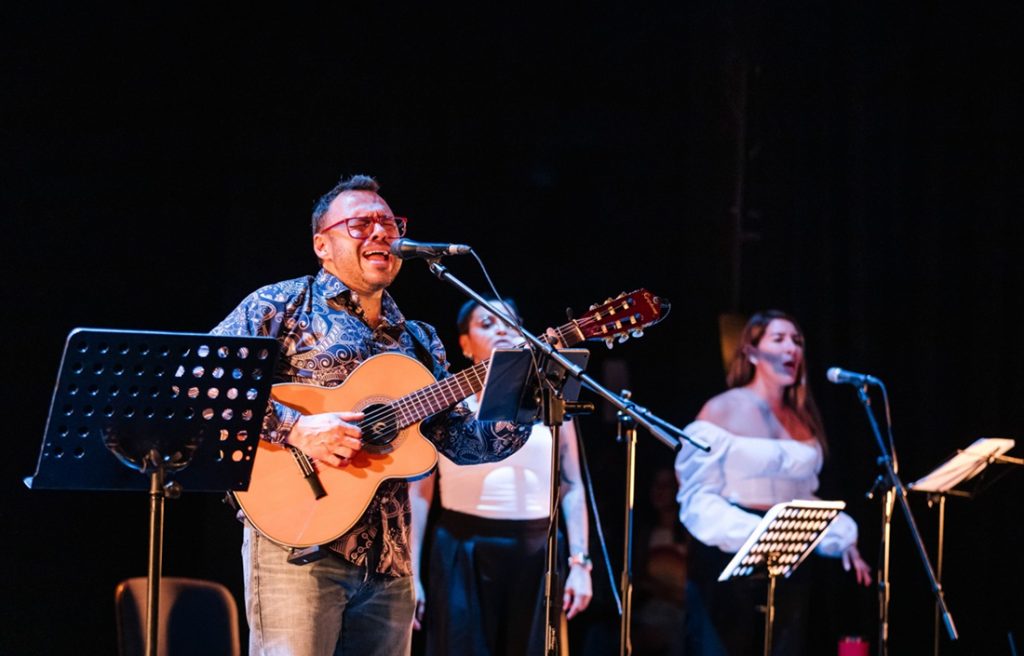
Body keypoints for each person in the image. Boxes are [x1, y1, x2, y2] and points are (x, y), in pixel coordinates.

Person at [212, 174, 532, 656]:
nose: (382, 232)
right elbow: (200, 380)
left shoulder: (419, 339)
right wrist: (296, 428)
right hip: (298, 547)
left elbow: (465, 444)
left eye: (389, 223)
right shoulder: (281, 305)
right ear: (322, 245)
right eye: (361, 224)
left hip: (390, 564)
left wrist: (521, 393)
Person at [674, 309, 872, 656]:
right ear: (751, 352)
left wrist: (841, 536)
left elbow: (803, 495)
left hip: (787, 558)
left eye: (797, 341)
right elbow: (696, 495)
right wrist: (756, 534)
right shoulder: (721, 409)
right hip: (727, 556)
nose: (791, 348)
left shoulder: (802, 417)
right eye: (778, 339)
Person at [410, 297, 593, 655]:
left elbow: (572, 485)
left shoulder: (548, 399)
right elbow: (419, 492)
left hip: (536, 550)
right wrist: (411, 574)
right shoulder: (449, 405)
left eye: (510, 323)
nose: (501, 331)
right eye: (487, 323)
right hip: (462, 548)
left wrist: (581, 562)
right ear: (464, 344)